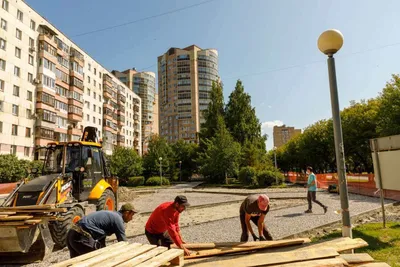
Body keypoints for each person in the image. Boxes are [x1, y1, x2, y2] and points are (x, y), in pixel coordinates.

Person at [67, 203, 138, 258]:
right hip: (81, 237)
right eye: (131, 215)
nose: (131, 218)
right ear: (126, 213)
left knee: (77, 263)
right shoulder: (118, 219)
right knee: (95, 260)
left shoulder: (111, 216)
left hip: (71, 234)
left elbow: (101, 237)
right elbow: (123, 242)